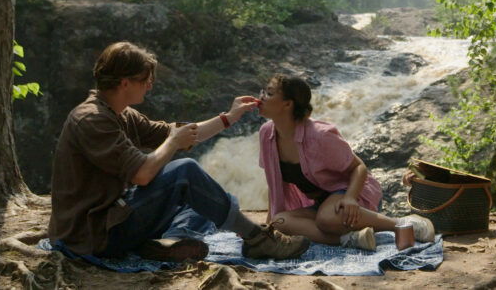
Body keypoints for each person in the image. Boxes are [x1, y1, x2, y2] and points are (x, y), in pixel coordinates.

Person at [48, 42, 310, 263]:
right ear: (125, 82)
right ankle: (256, 239)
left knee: (206, 200)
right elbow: (142, 175)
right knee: (185, 172)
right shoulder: (92, 120)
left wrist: (228, 118)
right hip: (92, 234)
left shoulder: (122, 113)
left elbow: (182, 133)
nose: (149, 86)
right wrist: (173, 143)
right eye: (145, 80)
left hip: (114, 217)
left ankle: (164, 242)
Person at [255, 74, 436, 251]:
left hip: (353, 196)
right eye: (263, 91)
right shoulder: (266, 134)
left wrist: (350, 197)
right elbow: (274, 183)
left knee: (326, 219)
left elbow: (359, 167)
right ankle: (350, 239)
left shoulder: (320, 135)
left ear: (288, 104)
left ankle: (403, 224)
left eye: (269, 93)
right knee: (280, 222)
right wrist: (268, 227)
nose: (261, 97)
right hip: (321, 204)